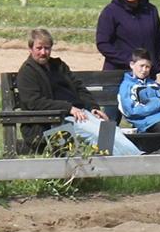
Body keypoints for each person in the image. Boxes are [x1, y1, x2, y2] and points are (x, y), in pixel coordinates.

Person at [16, 28, 140, 156]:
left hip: (79, 113)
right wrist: (68, 108)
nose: (43, 52)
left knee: (109, 128)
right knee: (96, 132)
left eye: (47, 48)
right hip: (54, 120)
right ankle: (132, 162)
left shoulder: (58, 65)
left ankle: (138, 157)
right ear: (30, 49)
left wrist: (93, 107)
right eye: (39, 48)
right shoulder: (27, 72)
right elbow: (34, 103)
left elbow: (79, 88)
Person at [96, 0, 160, 78]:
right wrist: (132, 62)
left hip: (147, 74)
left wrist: (153, 61)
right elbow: (103, 44)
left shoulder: (151, 11)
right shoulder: (110, 12)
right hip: (118, 75)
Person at [118, 48, 160, 133]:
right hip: (148, 122)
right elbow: (131, 111)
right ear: (132, 65)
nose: (144, 70)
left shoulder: (153, 84)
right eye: (141, 66)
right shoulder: (127, 87)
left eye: (147, 67)